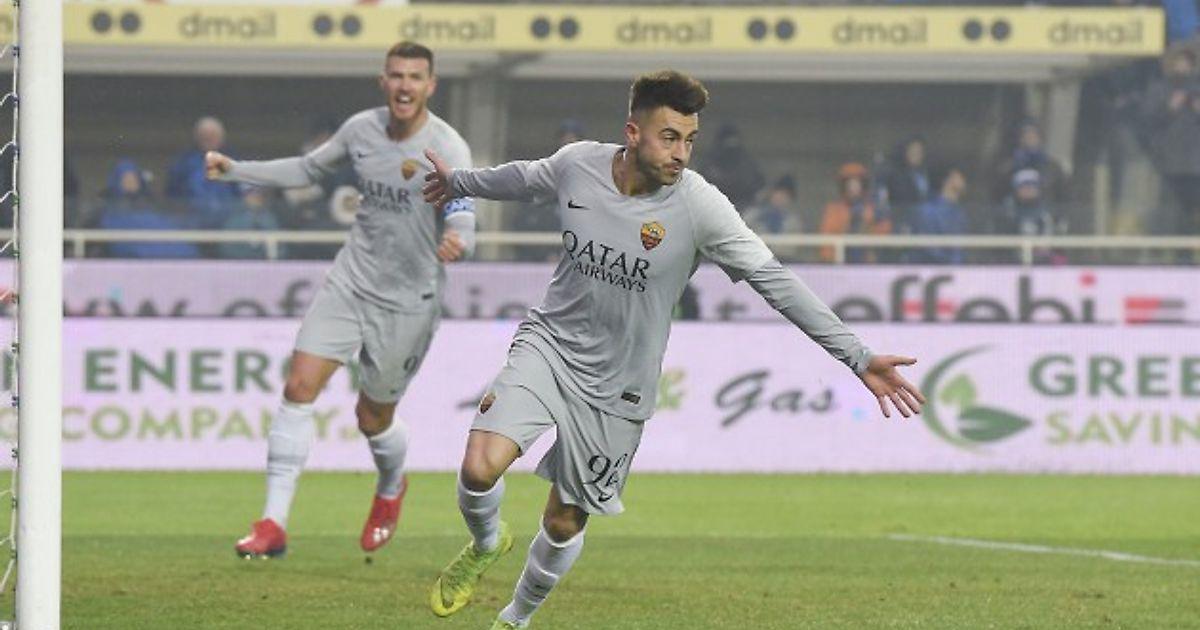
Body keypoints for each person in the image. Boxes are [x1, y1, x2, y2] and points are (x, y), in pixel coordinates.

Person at [421, 70, 925, 630]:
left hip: (622, 384)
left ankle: (515, 619)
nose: (681, 153)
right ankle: (486, 542)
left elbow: (775, 282)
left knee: (564, 522)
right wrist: (459, 182)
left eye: (689, 140)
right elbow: (521, 178)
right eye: (669, 137)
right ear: (633, 133)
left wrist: (857, 356)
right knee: (479, 467)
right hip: (551, 346)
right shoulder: (578, 164)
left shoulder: (700, 206)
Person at [205, 42, 477, 559]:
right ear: (383, 81)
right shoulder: (360, 130)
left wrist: (459, 240)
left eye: (415, 77)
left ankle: (392, 485)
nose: (404, 85)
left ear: (430, 86)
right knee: (299, 385)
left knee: (372, 418)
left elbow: (464, 214)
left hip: (409, 299)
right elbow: (308, 169)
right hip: (351, 281)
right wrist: (236, 170)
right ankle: (272, 524)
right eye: (396, 75)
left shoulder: (447, 148)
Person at [96, 159, 200, 259]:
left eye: (133, 178)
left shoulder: (151, 203)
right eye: (126, 179)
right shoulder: (109, 208)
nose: (131, 182)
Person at [166, 115, 243, 229]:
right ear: (197, 137)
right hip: (192, 221)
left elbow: (244, 192)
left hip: (229, 222)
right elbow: (173, 195)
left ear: (221, 138)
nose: (209, 138)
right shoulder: (183, 163)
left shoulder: (233, 161)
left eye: (213, 135)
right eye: (205, 135)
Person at [818, 162, 891, 264]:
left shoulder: (873, 208)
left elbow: (884, 237)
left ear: (863, 185)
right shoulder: (834, 210)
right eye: (849, 184)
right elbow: (826, 240)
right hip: (841, 262)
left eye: (856, 183)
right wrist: (831, 262)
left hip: (868, 264)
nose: (852, 188)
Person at [909, 166, 969, 265]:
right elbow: (927, 244)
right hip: (932, 267)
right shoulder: (928, 210)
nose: (964, 182)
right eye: (960, 177)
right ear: (948, 180)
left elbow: (962, 245)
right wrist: (950, 262)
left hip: (958, 269)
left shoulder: (960, 213)